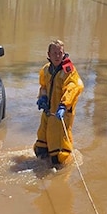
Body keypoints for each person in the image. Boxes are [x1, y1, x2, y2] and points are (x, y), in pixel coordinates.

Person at [34, 39, 84, 167]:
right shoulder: (46, 70)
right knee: (41, 145)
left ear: (64, 54)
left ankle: (59, 168)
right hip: (48, 112)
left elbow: (74, 87)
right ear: (48, 54)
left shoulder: (68, 71)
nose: (57, 56)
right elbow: (43, 86)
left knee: (59, 149)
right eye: (54, 53)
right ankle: (43, 165)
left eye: (60, 53)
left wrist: (63, 105)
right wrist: (42, 98)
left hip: (62, 114)